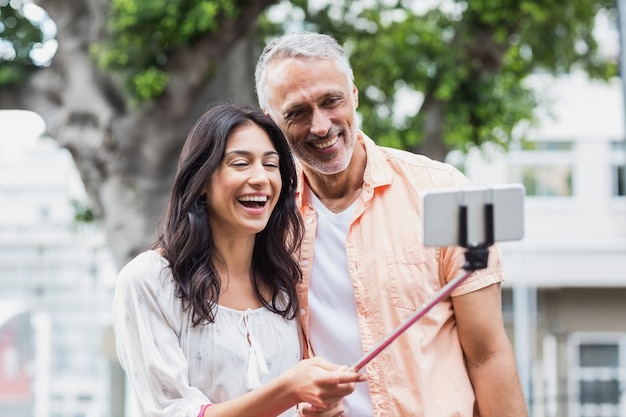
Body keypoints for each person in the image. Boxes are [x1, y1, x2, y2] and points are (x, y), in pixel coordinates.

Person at [254, 32, 529, 417]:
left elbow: (488, 354)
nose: (320, 126)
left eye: (332, 101)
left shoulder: (443, 190)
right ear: (270, 122)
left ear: (354, 95)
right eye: (297, 112)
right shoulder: (262, 215)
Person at [112, 103, 365, 417]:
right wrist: (288, 390)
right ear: (201, 181)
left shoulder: (285, 280)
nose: (260, 178)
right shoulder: (149, 280)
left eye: (271, 165)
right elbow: (174, 412)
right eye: (241, 163)